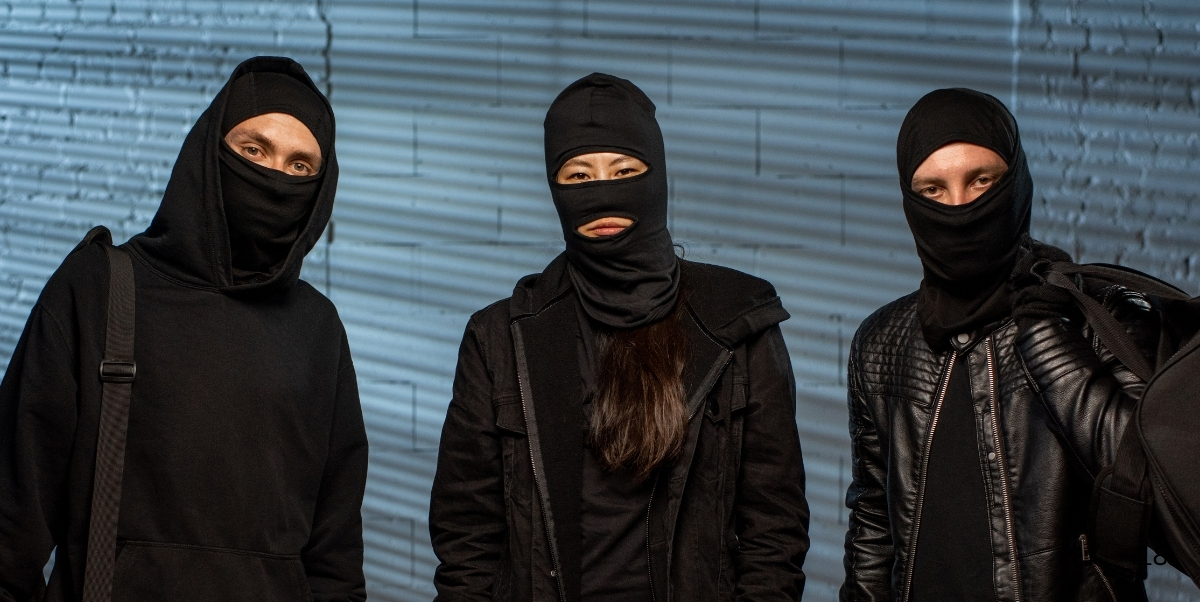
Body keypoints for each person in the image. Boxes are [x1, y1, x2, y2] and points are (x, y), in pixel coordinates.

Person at [430, 73, 810, 602]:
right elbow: (466, 545)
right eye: (579, 175)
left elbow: (774, 537)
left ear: (657, 177)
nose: (603, 192)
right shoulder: (499, 339)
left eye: (624, 170)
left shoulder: (737, 326)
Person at [0, 56, 368, 601]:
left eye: (299, 167)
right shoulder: (98, 288)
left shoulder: (318, 330)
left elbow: (334, 556)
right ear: (208, 152)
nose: (273, 177)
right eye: (253, 150)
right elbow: (11, 520)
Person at [841, 88, 1158, 601]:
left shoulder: (1098, 315)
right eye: (933, 190)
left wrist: (1051, 344)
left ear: (1016, 182)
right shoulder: (882, 343)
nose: (961, 208)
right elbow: (875, 524)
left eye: (981, 180)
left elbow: (1156, 488)